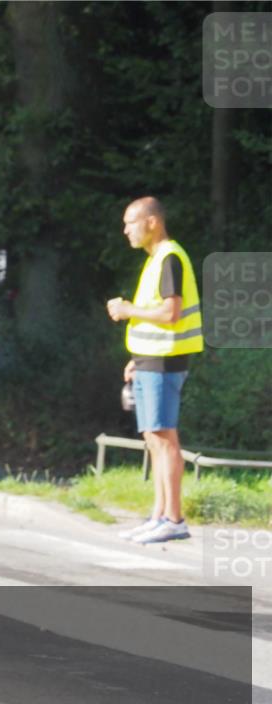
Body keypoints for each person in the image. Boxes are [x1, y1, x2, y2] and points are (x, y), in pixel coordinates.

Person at [107, 196, 203, 544]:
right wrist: (137, 357)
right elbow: (158, 318)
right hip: (151, 359)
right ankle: (159, 515)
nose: (125, 230)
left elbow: (170, 313)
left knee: (164, 439)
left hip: (165, 360)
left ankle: (174, 519)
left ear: (151, 222)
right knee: (153, 438)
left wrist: (128, 309)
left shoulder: (170, 258)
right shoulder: (155, 260)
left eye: (130, 222)